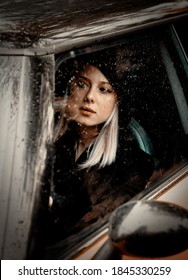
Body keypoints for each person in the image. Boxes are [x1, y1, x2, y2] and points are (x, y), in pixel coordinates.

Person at [48, 49, 154, 244]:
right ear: (70, 87)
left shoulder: (130, 164)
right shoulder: (50, 139)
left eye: (104, 89)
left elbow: (89, 232)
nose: (89, 97)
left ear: (117, 100)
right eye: (82, 84)